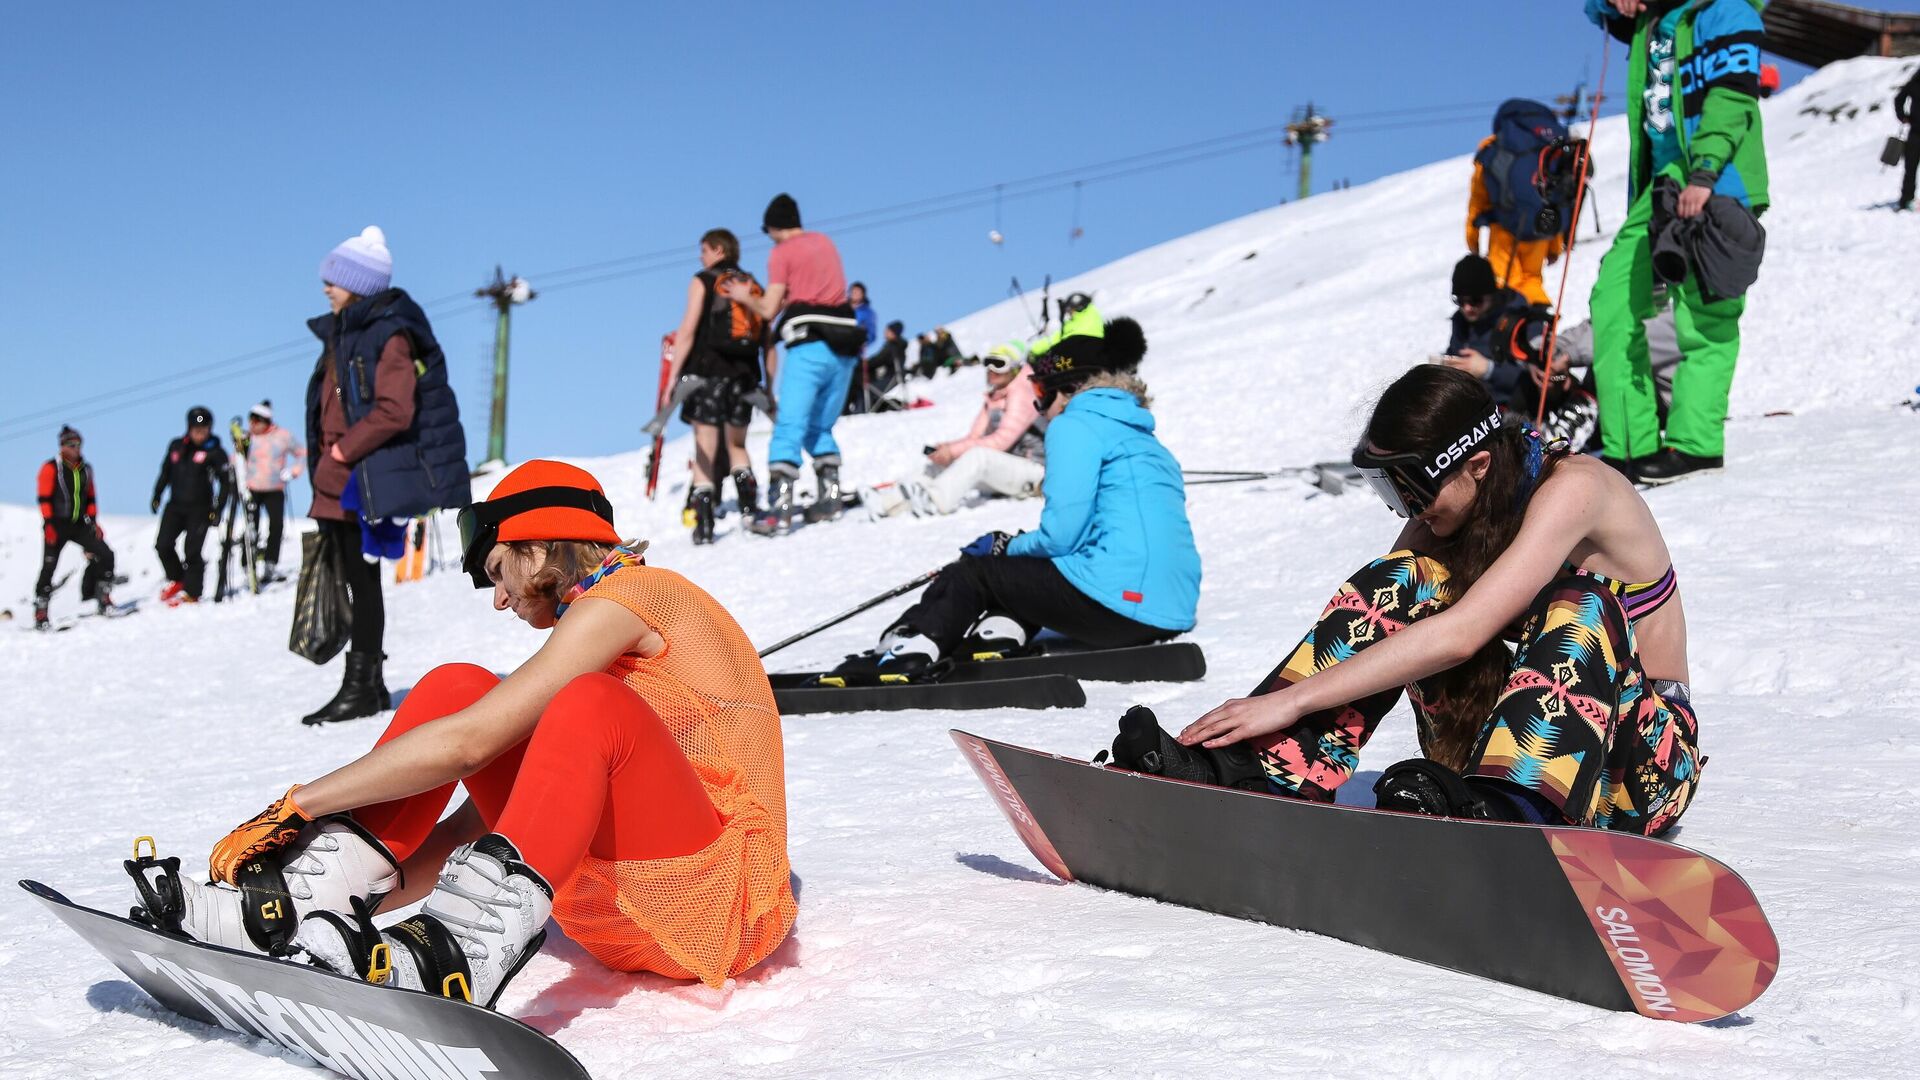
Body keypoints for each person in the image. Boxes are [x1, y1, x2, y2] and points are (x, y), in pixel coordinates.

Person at [127, 461, 796, 1010]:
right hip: (623, 921)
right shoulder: (597, 638)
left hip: (717, 917)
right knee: (459, 685)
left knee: (559, 704)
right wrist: (366, 905)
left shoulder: (633, 595)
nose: (499, 598)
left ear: (538, 541)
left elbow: (470, 744)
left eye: (496, 570)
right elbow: (472, 827)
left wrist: (300, 804)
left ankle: (458, 954)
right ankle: (290, 906)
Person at [1113, 365, 1702, 837]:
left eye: (1411, 486)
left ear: (1476, 464)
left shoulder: (1576, 489)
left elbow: (1462, 634)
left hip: (1639, 771)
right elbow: (1385, 613)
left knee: (1582, 602)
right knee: (1406, 577)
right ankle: (1259, 768)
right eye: (1387, 487)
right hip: (1499, 756)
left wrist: (1295, 701)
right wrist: (1275, 712)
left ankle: (1519, 819)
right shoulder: (1446, 514)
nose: (1406, 506)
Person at [826, 318, 1200, 682]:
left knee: (976, 569)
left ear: (1068, 388)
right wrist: (1016, 548)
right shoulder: (1146, 439)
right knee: (1023, 562)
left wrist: (1003, 547)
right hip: (1169, 609)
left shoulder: (1075, 423)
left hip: (1116, 605)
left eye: (1040, 392)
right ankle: (999, 634)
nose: (1040, 408)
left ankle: (909, 648)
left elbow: (1061, 536)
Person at [1585, 0, 1768, 483]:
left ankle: (1696, 445)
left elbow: (1734, 97)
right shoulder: (1651, 21)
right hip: (1658, 184)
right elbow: (1592, 11)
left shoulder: (1727, 11)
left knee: (1705, 316)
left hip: (1717, 182)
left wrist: (1705, 171)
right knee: (1613, 300)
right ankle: (1628, 447)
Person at [303, 226, 472, 724]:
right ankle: (366, 684)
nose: (325, 288)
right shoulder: (346, 332)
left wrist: (341, 451)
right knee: (352, 578)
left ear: (357, 283)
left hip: (360, 477)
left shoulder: (389, 333)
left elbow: (395, 410)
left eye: (333, 279)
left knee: (363, 580)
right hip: (338, 475)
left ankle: (362, 686)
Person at [722, 194, 864, 533]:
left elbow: (769, 308)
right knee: (819, 425)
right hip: (845, 345)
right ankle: (829, 498)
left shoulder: (781, 252)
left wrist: (745, 297)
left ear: (773, 226)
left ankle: (779, 509)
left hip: (809, 345)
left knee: (790, 423)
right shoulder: (825, 243)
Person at [859, 341, 1046, 518]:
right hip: (1007, 470)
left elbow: (1001, 441)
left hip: (1035, 473)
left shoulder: (1023, 392)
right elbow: (974, 436)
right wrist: (946, 451)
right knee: (948, 462)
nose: (992, 370)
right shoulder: (995, 396)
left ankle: (935, 501)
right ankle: (889, 503)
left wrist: (953, 452)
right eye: (988, 363)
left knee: (978, 457)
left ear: (1014, 367)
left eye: (999, 364)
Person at [662, 228, 767, 545]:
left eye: (705, 249)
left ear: (719, 250)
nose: (701, 255)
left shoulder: (704, 280)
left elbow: (689, 329)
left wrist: (672, 378)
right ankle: (749, 509)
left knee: (704, 452)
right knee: (738, 446)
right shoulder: (749, 283)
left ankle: (704, 526)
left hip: (706, 373)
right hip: (743, 374)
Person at [1441, 255, 1597, 449]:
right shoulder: (1461, 323)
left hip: (1519, 407)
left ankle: (1551, 437)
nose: (1467, 308)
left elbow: (1534, 373)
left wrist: (1489, 370)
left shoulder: (1519, 320)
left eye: (1474, 300)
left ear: (1492, 294)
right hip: (1480, 411)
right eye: (1460, 300)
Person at [1466, 110, 1566, 307]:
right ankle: (1540, 321)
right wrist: (1555, 243)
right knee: (1532, 279)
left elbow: (1477, 202)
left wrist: (1473, 240)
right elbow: (1553, 198)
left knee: (1505, 283)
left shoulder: (1492, 150)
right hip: (1539, 229)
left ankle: (1511, 329)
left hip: (1504, 228)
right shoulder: (1542, 152)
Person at [33, 425, 117, 628]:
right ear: (62, 446)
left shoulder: (86, 469)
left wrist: (94, 523)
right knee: (49, 566)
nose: (76, 448)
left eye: (79, 444)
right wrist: (49, 524)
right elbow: (43, 498)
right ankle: (41, 611)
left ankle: (103, 598)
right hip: (56, 525)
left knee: (106, 554)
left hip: (80, 524)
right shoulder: (51, 468)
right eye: (72, 445)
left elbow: (90, 498)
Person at [151, 405, 229, 606]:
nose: (200, 435)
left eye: (204, 430)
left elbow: (226, 483)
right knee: (163, 544)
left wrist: (218, 509)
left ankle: (193, 593)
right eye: (197, 430)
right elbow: (165, 472)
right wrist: (157, 495)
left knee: (192, 551)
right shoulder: (176, 446)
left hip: (200, 509)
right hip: (175, 506)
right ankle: (177, 579)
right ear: (189, 428)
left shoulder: (215, 451)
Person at [244, 400, 306, 583]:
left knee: (276, 526)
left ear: (265, 421)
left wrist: (293, 472)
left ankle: (270, 564)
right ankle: (248, 563)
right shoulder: (247, 438)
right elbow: (236, 460)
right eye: (251, 421)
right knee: (251, 527)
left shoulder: (283, 436)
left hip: (275, 488)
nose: (252, 425)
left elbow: (302, 453)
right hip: (251, 489)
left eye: (256, 421)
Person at [1896, 64, 1919, 213]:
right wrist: (1903, 116)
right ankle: (1906, 200)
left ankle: (1906, 200)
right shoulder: (1914, 84)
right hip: (1915, 133)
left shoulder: (1914, 83)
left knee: (1910, 169)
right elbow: (1899, 99)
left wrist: (1903, 116)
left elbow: (1898, 99)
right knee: (1910, 169)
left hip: (1915, 132)